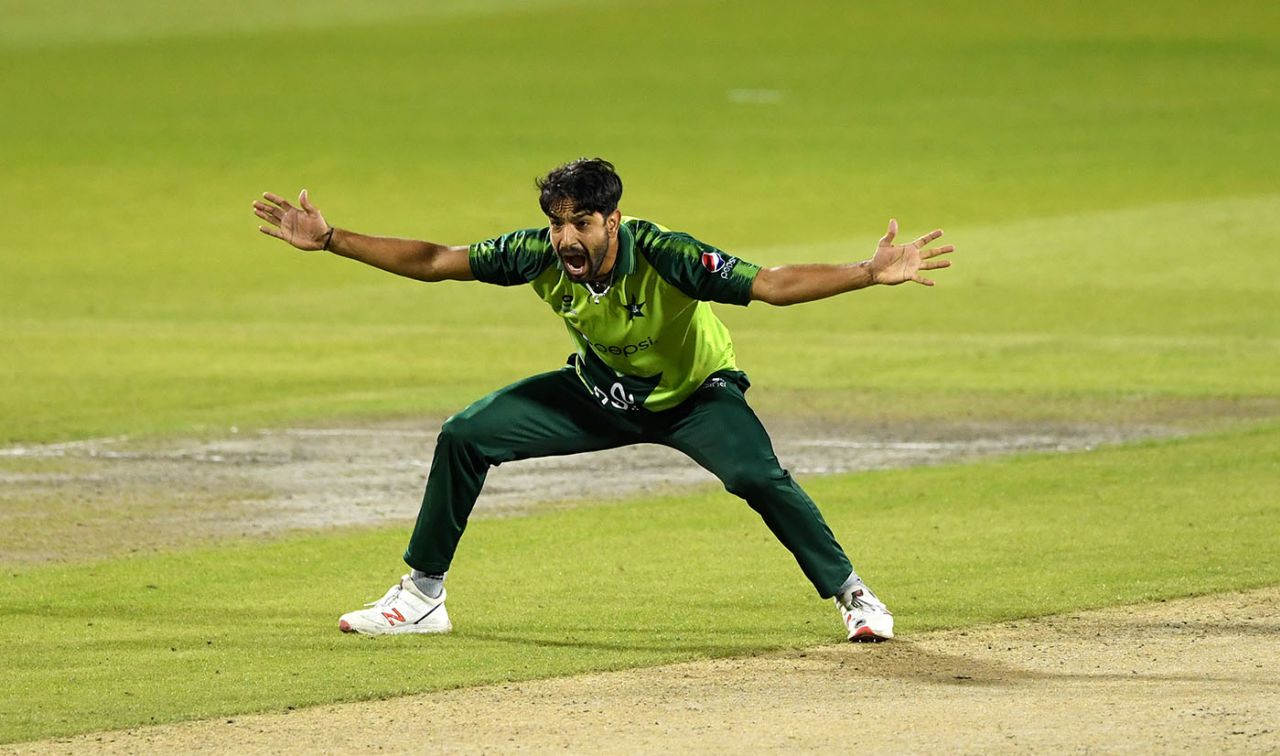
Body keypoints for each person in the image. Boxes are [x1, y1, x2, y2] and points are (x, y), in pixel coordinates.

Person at [252, 158, 953, 642]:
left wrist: (866, 272)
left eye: (581, 223)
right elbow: (436, 261)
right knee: (466, 433)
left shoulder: (666, 252)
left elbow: (769, 283)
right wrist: (333, 240)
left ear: (613, 220)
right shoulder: (535, 251)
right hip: (595, 394)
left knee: (754, 476)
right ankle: (421, 595)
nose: (566, 239)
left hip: (693, 396)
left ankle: (853, 595)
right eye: (558, 223)